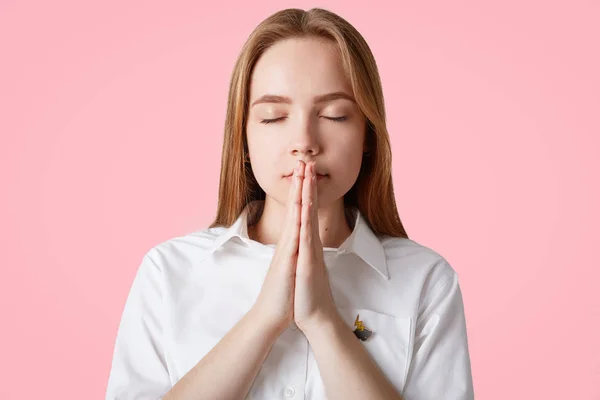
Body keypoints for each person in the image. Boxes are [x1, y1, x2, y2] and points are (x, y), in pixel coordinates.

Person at [105, 7, 474, 400]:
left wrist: (323, 321)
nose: (305, 141)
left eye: (335, 115)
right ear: (243, 141)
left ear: (368, 137)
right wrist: (264, 319)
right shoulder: (169, 273)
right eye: (273, 117)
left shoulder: (425, 280)